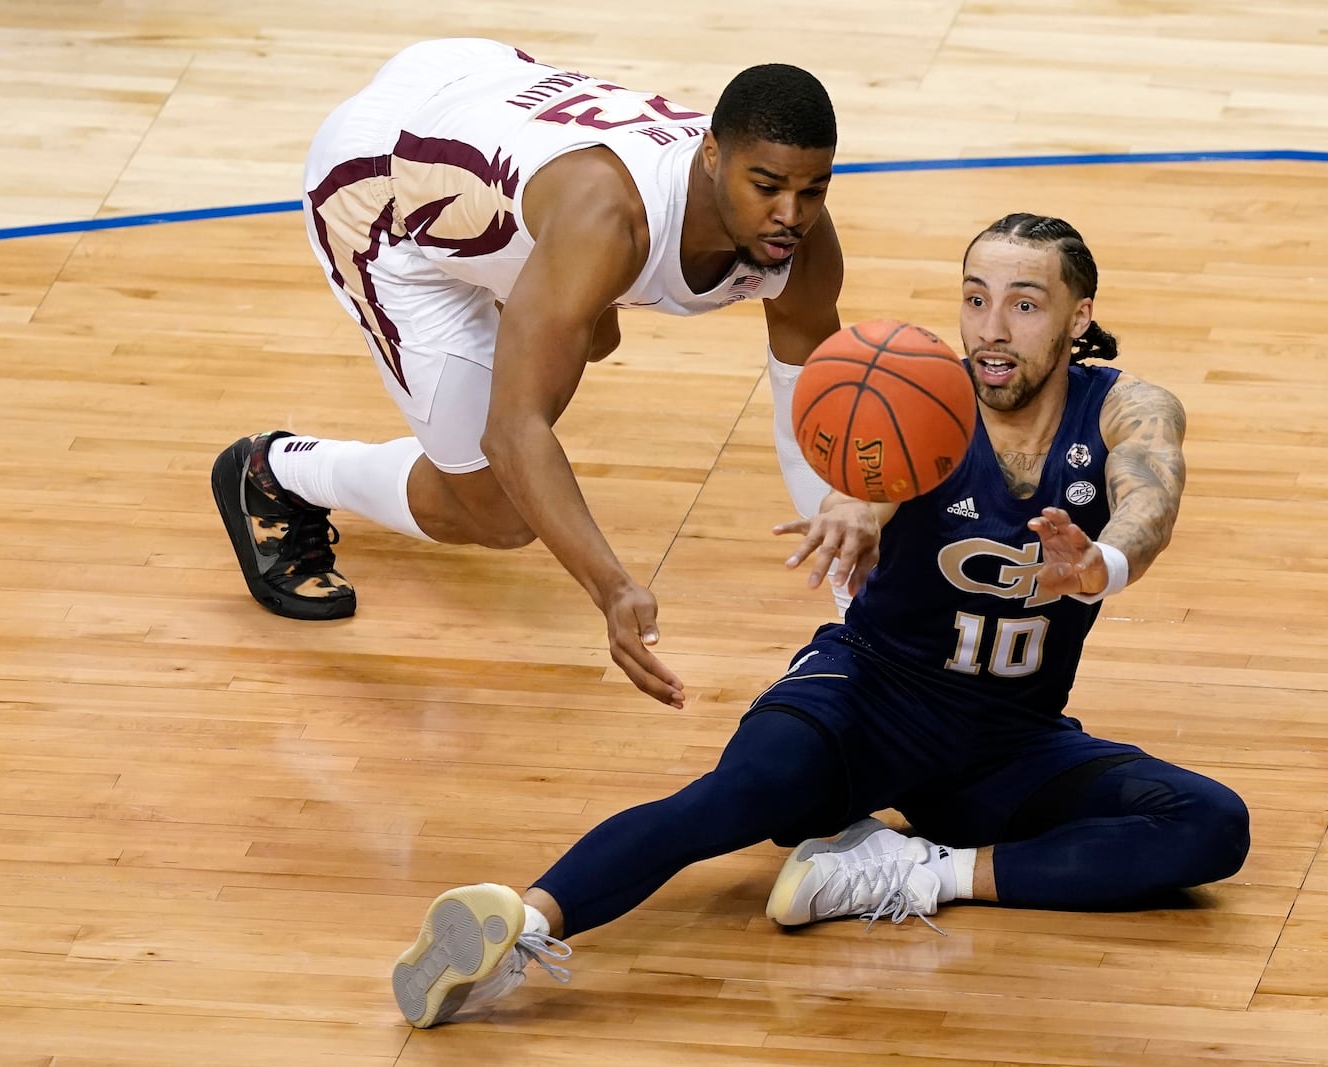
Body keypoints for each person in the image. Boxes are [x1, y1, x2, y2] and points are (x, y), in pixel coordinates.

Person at [387, 213, 1252, 1029]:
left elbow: (1151, 495)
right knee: (731, 801)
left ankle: (921, 871)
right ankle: (520, 919)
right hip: (867, 699)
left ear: (1077, 316)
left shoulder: (1124, 408)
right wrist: (852, 510)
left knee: (1211, 824)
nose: (992, 327)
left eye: (1025, 304)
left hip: (1010, 741)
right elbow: (867, 476)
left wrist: (1098, 564)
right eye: (975, 296)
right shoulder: (921, 394)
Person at [211, 38, 858, 707]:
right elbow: (515, 431)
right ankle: (274, 471)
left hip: (481, 96)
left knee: (586, 328)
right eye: (768, 188)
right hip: (383, 189)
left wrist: (856, 619)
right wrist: (612, 585)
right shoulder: (610, 222)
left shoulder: (797, 243)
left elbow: (809, 419)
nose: (791, 215)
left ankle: (522, 293)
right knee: (500, 509)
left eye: (813, 190)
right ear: (713, 155)